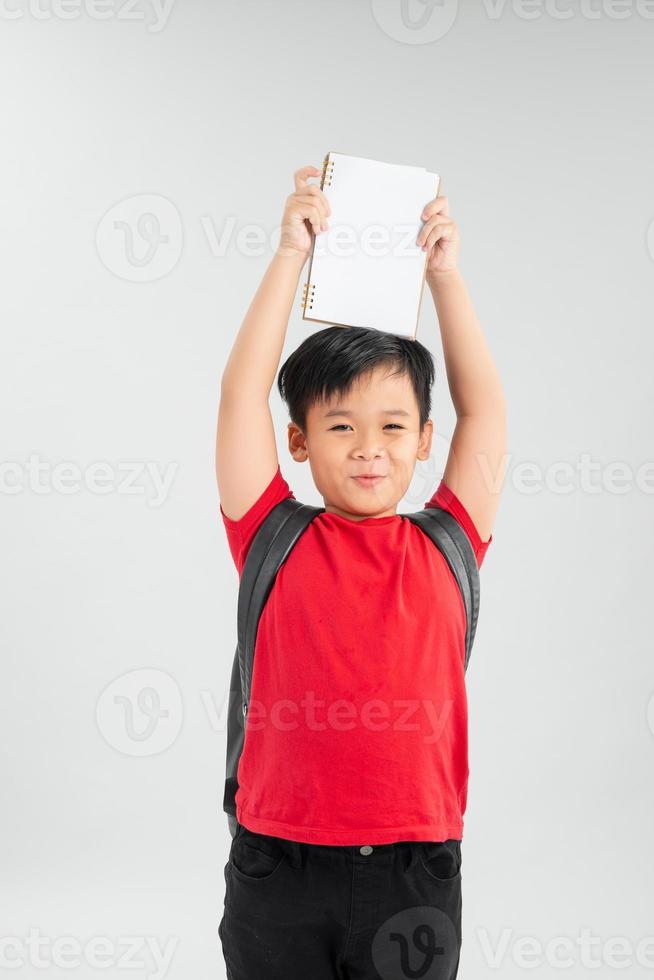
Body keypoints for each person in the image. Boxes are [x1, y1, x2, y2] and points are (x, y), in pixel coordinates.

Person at [215, 163, 507, 980]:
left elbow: (485, 410)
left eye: (392, 425)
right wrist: (287, 257)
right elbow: (242, 394)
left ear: (424, 440)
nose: (369, 447)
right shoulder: (271, 533)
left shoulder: (449, 543)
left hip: (414, 868)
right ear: (299, 442)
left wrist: (444, 279)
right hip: (278, 865)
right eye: (340, 425)